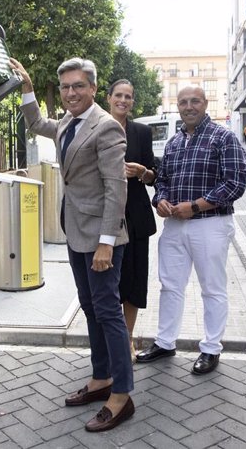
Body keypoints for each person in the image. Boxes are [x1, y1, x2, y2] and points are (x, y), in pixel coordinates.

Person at [9, 57, 135, 432]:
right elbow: (35, 123)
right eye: (65, 87)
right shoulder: (67, 121)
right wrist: (28, 89)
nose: (70, 93)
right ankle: (101, 378)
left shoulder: (106, 127)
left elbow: (117, 189)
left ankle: (122, 395)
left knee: (108, 312)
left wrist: (106, 244)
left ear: (94, 88)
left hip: (102, 238)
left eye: (78, 86)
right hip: (76, 231)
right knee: (90, 307)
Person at [135, 86, 246, 375]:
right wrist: (159, 199)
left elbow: (235, 182)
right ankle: (165, 342)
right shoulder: (174, 143)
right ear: (178, 105)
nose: (189, 106)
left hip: (210, 225)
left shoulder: (223, 137)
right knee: (170, 286)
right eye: (183, 102)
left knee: (212, 288)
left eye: (194, 101)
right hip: (174, 225)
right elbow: (162, 180)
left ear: (205, 103)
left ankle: (211, 349)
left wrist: (197, 206)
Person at [106, 79, 157, 362]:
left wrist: (142, 172)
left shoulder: (141, 132)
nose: (123, 100)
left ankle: (126, 339)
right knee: (108, 283)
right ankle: (110, 339)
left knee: (134, 282)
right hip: (105, 219)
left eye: (128, 96)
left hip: (136, 217)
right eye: (119, 96)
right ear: (108, 98)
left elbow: (153, 175)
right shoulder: (97, 127)